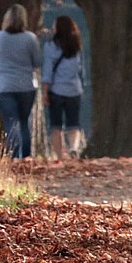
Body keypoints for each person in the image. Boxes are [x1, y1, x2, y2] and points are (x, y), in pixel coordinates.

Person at [0, 6, 43, 159]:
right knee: (24, 123)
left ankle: (14, 156)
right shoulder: (30, 38)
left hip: (3, 86)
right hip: (26, 86)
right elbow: (37, 61)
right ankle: (26, 157)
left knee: (11, 123)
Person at [43, 15, 87, 160]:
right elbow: (81, 69)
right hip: (74, 90)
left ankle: (59, 157)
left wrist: (45, 91)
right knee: (73, 124)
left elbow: (48, 71)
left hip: (56, 90)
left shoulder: (50, 46)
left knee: (56, 126)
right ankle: (74, 148)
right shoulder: (77, 45)